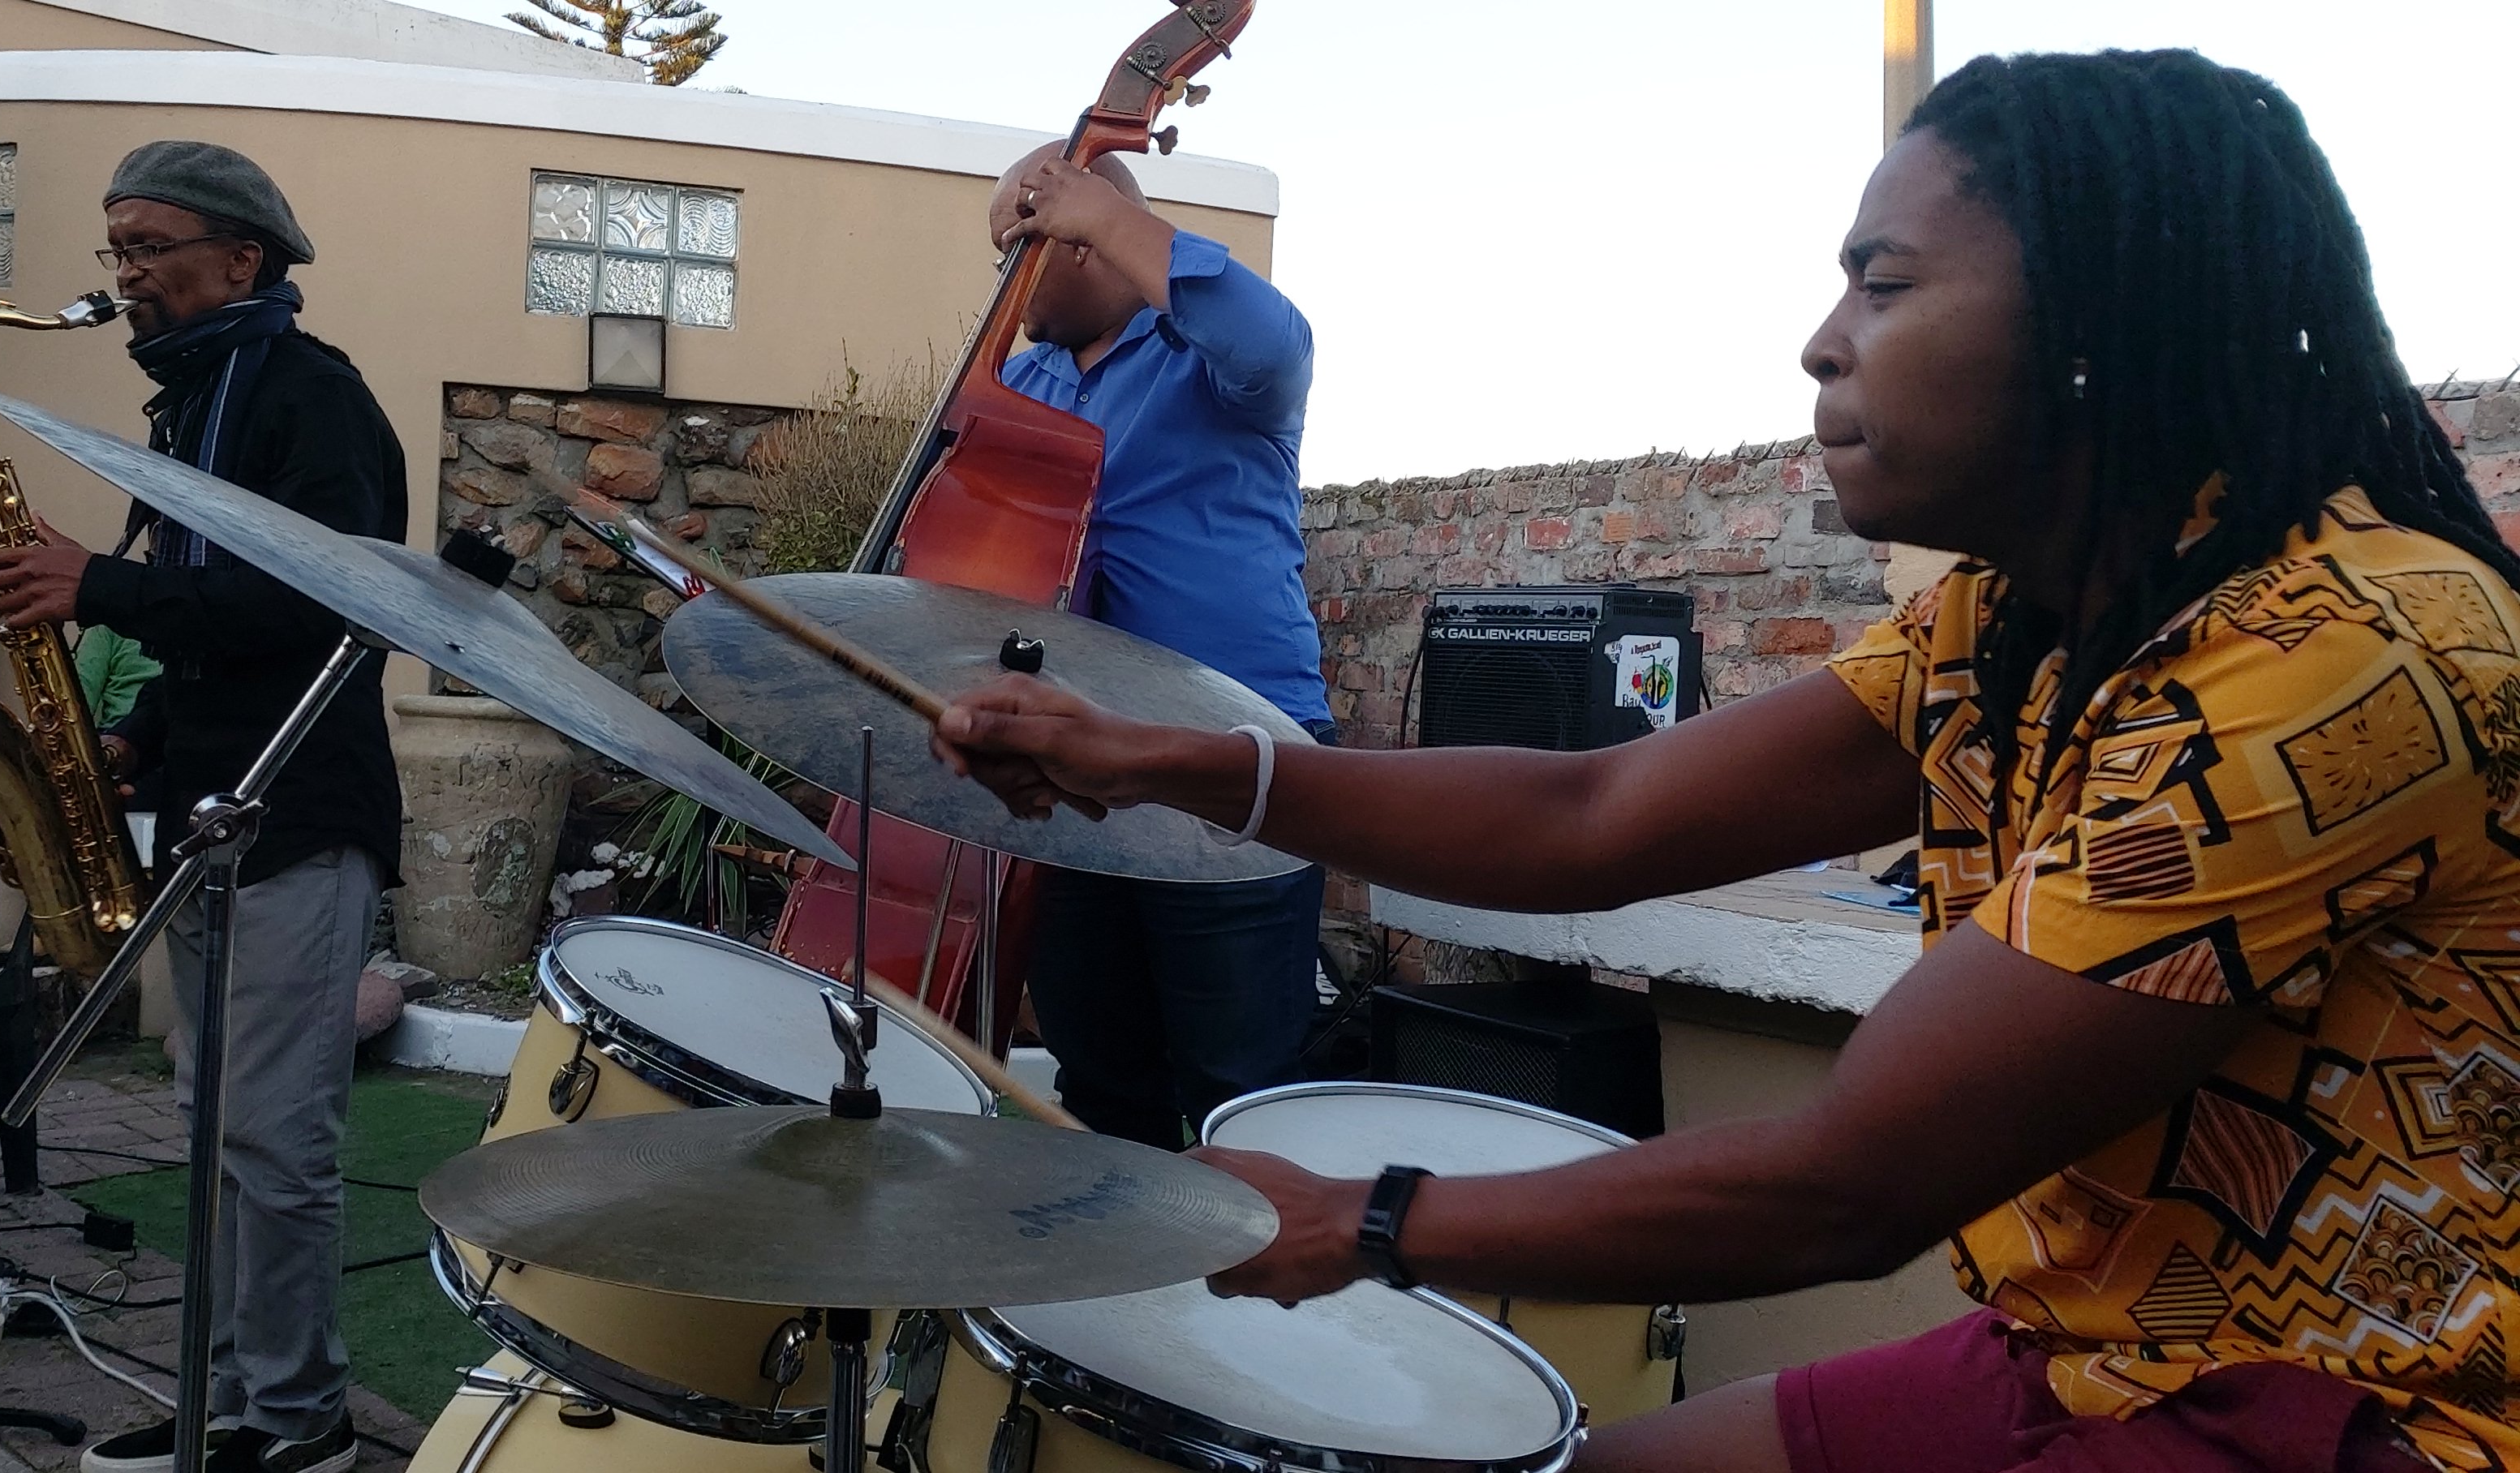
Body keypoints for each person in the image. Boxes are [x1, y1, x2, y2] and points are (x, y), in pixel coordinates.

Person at [937, 50, 2520, 1473]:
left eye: (1886, 287)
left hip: (2364, 1417)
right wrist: (1171, 763)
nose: (1823, 344)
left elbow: (1853, 1181)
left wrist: (1366, 1215)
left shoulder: (2341, 647)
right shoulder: (2018, 615)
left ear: (2100, 322)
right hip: (2105, 1355)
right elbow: (1597, 811)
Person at [0, 140, 405, 1473]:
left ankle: (303, 1422)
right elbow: (212, 641)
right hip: (213, 814)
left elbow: (328, 609)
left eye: (151, 248)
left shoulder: (307, 400)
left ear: (243, 259)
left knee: (276, 1144)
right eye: (116, 251)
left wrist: (95, 588)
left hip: (297, 814)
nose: (126, 278)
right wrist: (130, 741)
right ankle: (230, 1401)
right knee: (218, 1138)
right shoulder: (195, 410)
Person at [978, 141, 1331, 1149]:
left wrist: (1099, 209)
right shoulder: (1020, 386)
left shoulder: (1214, 367)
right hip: (1083, 773)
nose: (1004, 278)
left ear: (1084, 243)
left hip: (1238, 759)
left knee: (1243, 1088)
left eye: (1021, 247)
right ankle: (1118, 1299)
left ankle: (1260, 1307)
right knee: (1104, 1080)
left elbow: (1273, 342)